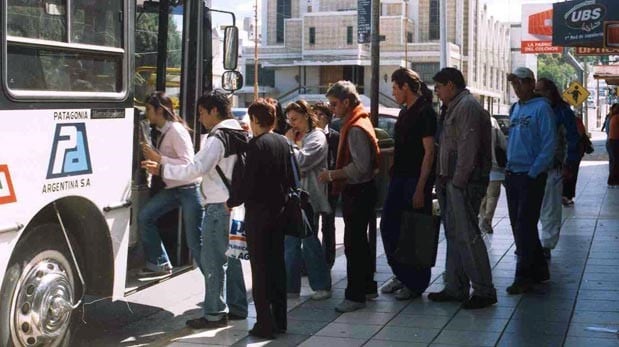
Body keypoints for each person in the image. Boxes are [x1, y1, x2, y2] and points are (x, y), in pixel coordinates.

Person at [143, 91, 249, 329]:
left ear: (214, 111)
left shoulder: (217, 137)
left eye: (202, 113)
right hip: (235, 205)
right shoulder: (241, 133)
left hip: (218, 207)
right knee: (231, 259)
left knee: (212, 262)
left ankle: (213, 314)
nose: (199, 118)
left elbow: (196, 168)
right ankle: (239, 307)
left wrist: (162, 170)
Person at [428, 67, 497, 309]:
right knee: (455, 236)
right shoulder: (453, 107)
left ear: (451, 85)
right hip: (451, 181)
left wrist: (458, 182)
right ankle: (456, 287)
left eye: (438, 86)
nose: (436, 91)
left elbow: (468, 149)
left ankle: (484, 290)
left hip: (463, 182)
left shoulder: (467, 106)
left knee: (468, 237)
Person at [229, 99, 290, 339]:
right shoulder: (283, 142)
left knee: (260, 270)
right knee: (277, 267)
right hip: (280, 212)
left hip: (258, 216)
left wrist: (231, 201)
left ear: (255, 120)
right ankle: (281, 320)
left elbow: (247, 183)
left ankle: (265, 324)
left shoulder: (255, 146)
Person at [318, 81, 380, 313]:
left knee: (354, 245)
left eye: (334, 104)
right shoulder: (357, 120)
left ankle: (355, 296)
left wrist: (333, 174)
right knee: (359, 243)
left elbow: (361, 166)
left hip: (358, 189)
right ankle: (366, 287)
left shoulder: (355, 126)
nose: (332, 109)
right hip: (361, 189)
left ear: (346, 102)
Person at [379, 68, 436, 301]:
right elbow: (404, 147)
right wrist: (380, 151)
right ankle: (401, 274)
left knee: (415, 233)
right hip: (399, 177)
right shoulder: (405, 112)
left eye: (395, 87)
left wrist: (421, 188)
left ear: (405, 87)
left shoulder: (425, 112)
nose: (393, 92)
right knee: (391, 228)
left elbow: (429, 153)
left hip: (414, 180)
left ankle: (415, 283)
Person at [139, 92, 204, 276]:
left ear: (160, 110)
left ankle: (213, 285)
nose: (147, 113)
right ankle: (159, 263)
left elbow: (188, 164)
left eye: (149, 109)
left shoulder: (176, 130)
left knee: (195, 242)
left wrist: (160, 160)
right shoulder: (162, 131)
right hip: (174, 188)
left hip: (189, 189)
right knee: (145, 217)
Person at [504, 67, 556, 294]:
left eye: (520, 83)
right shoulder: (514, 108)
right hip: (513, 173)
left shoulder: (542, 108)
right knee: (520, 225)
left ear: (531, 83)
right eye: (514, 84)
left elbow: (549, 144)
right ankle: (539, 270)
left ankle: (523, 276)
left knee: (524, 225)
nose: (517, 88)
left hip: (530, 176)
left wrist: (535, 171)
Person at [283, 100, 333, 300]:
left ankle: (322, 285)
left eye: (295, 119)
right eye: (289, 119)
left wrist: (289, 144)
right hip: (293, 196)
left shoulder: (317, 137)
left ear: (306, 116)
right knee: (291, 243)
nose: (292, 123)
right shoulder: (298, 136)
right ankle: (290, 288)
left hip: (308, 198)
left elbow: (301, 161)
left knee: (309, 241)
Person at [534, 78, 581, 259]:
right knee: (533, 209)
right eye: (536, 91)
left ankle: (546, 245)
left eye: (541, 91)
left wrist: (569, 164)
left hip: (553, 167)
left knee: (550, 210)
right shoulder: (535, 110)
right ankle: (532, 243)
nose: (538, 94)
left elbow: (572, 139)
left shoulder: (562, 112)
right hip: (533, 168)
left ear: (551, 92)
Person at [313, 102, 340, 269]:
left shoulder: (335, 136)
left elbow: (338, 158)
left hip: (330, 184)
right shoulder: (310, 135)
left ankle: (328, 259)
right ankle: (312, 260)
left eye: (320, 114)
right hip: (314, 185)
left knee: (328, 224)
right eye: (314, 114)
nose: (317, 118)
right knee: (312, 224)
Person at [478, 115, 507, 235]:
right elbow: (503, 144)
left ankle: (482, 219)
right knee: (493, 196)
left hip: (479, 167)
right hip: (495, 167)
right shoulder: (493, 123)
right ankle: (487, 220)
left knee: (482, 196)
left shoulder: (474, 121)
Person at [562, 115, 587, 206]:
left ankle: (565, 196)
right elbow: (582, 133)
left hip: (568, 153)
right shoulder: (576, 121)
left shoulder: (560, 120)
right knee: (571, 175)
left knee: (566, 175)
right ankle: (567, 196)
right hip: (573, 153)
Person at [608, 104, 619, 187]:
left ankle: (612, 181)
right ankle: (614, 181)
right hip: (616, 141)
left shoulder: (611, 117)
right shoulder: (617, 117)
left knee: (613, 162)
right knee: (616, 162)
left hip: (612, 141)